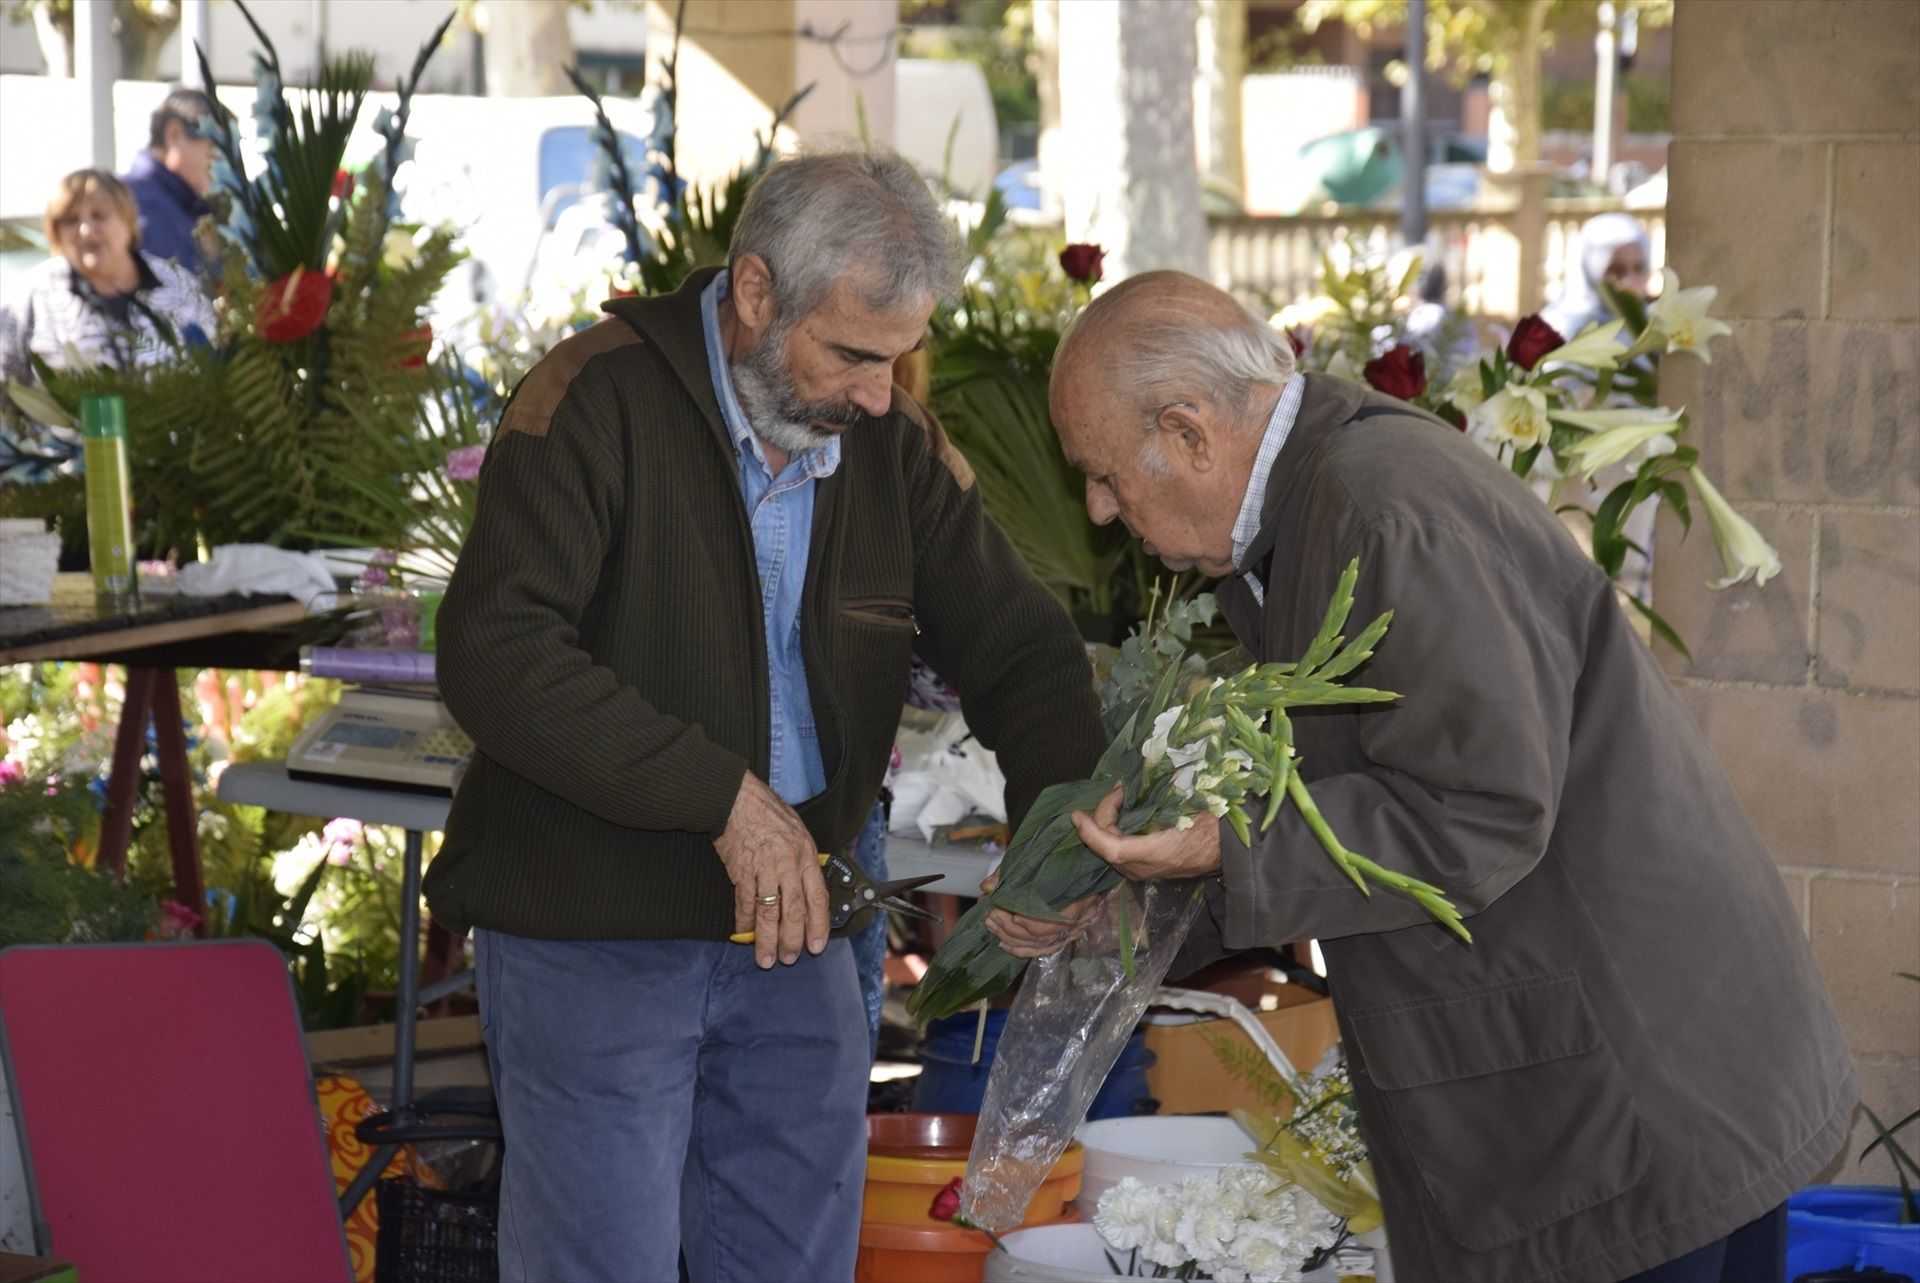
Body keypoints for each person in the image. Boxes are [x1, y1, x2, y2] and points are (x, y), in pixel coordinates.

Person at [993, 270, 1856, 1283]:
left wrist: (1226, 849)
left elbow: (1480, 808)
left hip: (1632, 1098)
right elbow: (1355, 796)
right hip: (1603, 1085)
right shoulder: (1312, 509)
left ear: (1189, 434)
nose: (1098, 510)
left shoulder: (1381, 509)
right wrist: (1132, 904)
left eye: (1102, 473)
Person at [422, 148, 1105, 1282]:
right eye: (850, 354)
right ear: (752, 293)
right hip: (597, 929)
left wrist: (1060, 844)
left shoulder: (890, 437)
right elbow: (495, 652)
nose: (880, 394)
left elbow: (1021, 648)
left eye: (898, 358)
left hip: (803, 927)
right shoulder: (593, 398)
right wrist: (717, 794)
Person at [0, 169, 215, 389]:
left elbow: (216, 371)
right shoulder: (27, 297)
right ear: (57, 234)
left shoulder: (177, 285)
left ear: (128, 221)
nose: (85, 230)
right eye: (71, 221)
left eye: (99, 216)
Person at [121, 88, 217, 276]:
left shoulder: (183, 204)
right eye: (217, 146)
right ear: (175, 135)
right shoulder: (141, 202)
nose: (225, 161)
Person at [1540, 210, 1652, 340]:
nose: (1628, 281)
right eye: (1616, 270)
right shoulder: (1557, 331)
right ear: (1590, 273)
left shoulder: (1653, 330)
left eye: (1638, 269)